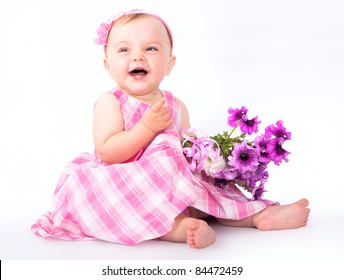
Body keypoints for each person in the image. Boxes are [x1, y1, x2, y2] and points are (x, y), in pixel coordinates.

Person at [31, 9, 310, 249]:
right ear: (108, 65)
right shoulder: (110, 103)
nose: (137, 56)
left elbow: (187, 157)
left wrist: (212, 159)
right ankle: (182, 229)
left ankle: (257, 216)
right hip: (125, 185)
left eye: (150, 48)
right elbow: (108, 153)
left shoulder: (177, 106)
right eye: (124, 49)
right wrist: (146, 128)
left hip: (172, 185)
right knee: (141, 201)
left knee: (207, 189)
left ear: (169, 64)